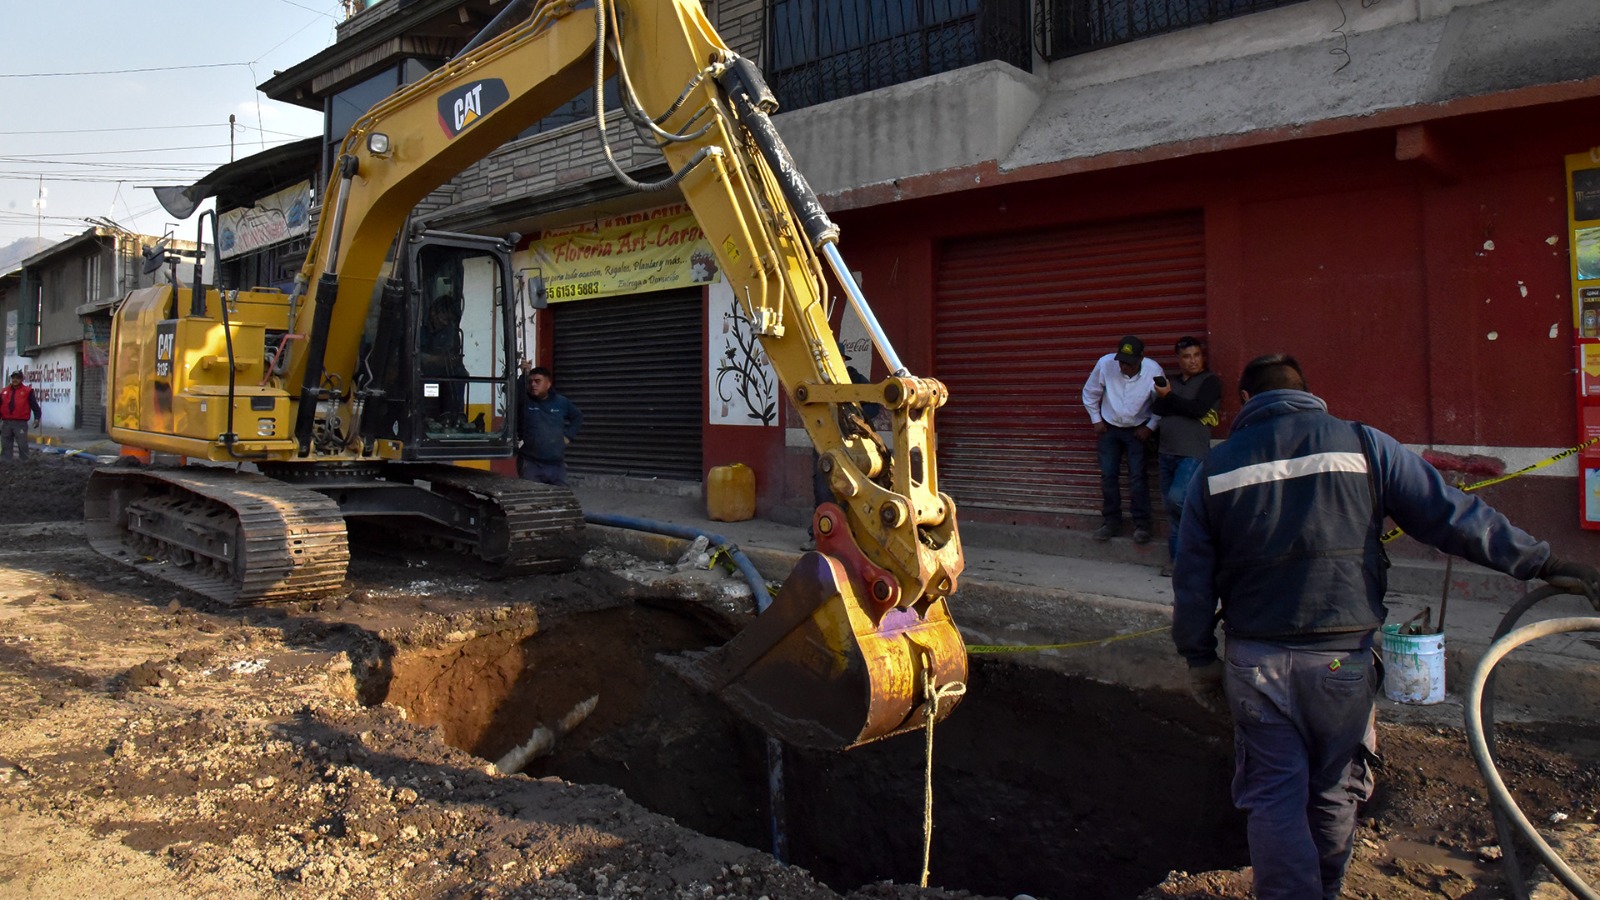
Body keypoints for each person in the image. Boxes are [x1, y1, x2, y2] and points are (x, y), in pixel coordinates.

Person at [1171, 353, 1600, 900]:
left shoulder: (1218, 467)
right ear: (1309, 394)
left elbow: (1191, 576)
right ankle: (1326, 889)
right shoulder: (1365, 444)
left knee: (1274, 795)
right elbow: (1453, 517)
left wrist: (1198, 658)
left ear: (1247, 403)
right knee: (1332, 789)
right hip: (1341, 661)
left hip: (1257, 663)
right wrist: (1546, 563)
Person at [1081, 335, 1163, 543]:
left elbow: (1163, 404)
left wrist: (1150, 427)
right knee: (1109, 476)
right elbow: (1089, 393)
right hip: (1110, 428)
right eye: (1122, 361)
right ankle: (1111, 522)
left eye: (1129, 363)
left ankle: (1142, 525)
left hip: (1137, 430)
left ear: (1141, 359)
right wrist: (1096, 420)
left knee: (1137, 477)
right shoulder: (1106, 364)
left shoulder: (1154, 371)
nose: (1124, 367)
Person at [1151, 336, 1221, 569]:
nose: (1192, 361)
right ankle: (1178, 562)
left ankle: (1202, 546)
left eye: (1196, 355)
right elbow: (1157, 407)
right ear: (1178, 359)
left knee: (1177, 501)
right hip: (1166, 452)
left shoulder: (1209, 381)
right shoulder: (1173, 382)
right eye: (1186, 357)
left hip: (1192, 452)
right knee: (1172, 510)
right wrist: (1174, 401)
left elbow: (1199, 409)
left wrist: (1171, 398)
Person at [518, 365, 582, 486]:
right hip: (531, 464)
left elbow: (577, 417)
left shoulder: (561, 402)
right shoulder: (525, 401)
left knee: (561, 500)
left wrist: (568, 436)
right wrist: (523, 375)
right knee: (532, 501)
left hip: (556, 465)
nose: (533, 385)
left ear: (548, 384)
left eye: (537, 381)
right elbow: (514, 394)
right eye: (530, 381)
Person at [0, 371, 41, 460]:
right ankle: (6, 464)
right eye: (13, 378)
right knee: (5, 444)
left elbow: (34, 406)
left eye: (17, 378)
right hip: (6, 422)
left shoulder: (27, 391)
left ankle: (25, 463)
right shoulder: (4, 391)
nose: (15, 380)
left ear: (21, 379)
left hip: (20, 423)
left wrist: (37, 418)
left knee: (22, 444)